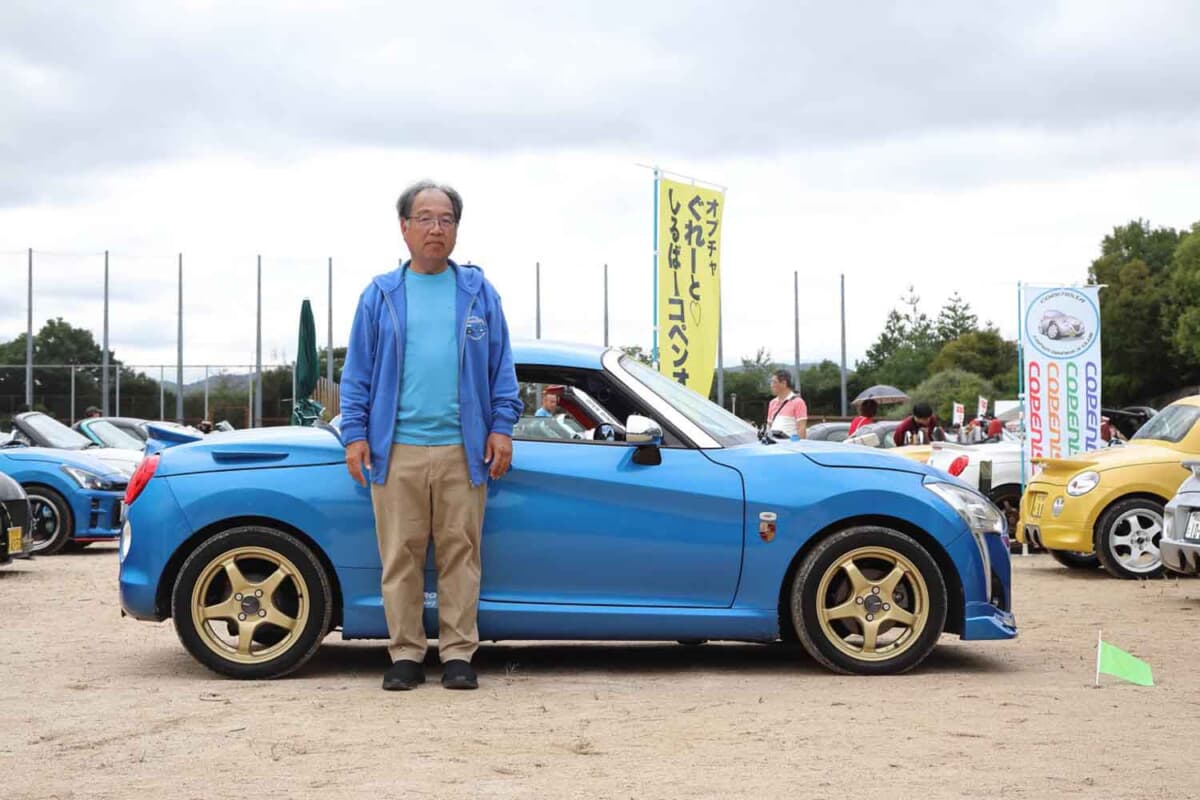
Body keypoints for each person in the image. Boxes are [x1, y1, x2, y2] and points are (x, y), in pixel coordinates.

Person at [340, 180, 521, 692]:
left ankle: (459, 652)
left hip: (465, 451)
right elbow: (357, 374)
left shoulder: (479, 294)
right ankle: (405, 654)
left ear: (457, 229)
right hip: (394, 450)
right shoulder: (380, 296)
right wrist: (355, 434)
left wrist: (501, 427)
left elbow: (502, 369)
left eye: (446, 219)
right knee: (400, 556)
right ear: (404, 228)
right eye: (424, 218)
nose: (435, 228)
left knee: (460, 554)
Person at [766, 369, 807, 439]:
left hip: (790, 444)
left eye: (774, 382)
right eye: (771, 382)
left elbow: (801, 429)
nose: (771, 385)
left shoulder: (798, 402)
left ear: (784, 383)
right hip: (774, 444)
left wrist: (799, 445)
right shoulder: (772, 403)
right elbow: (769, 426)